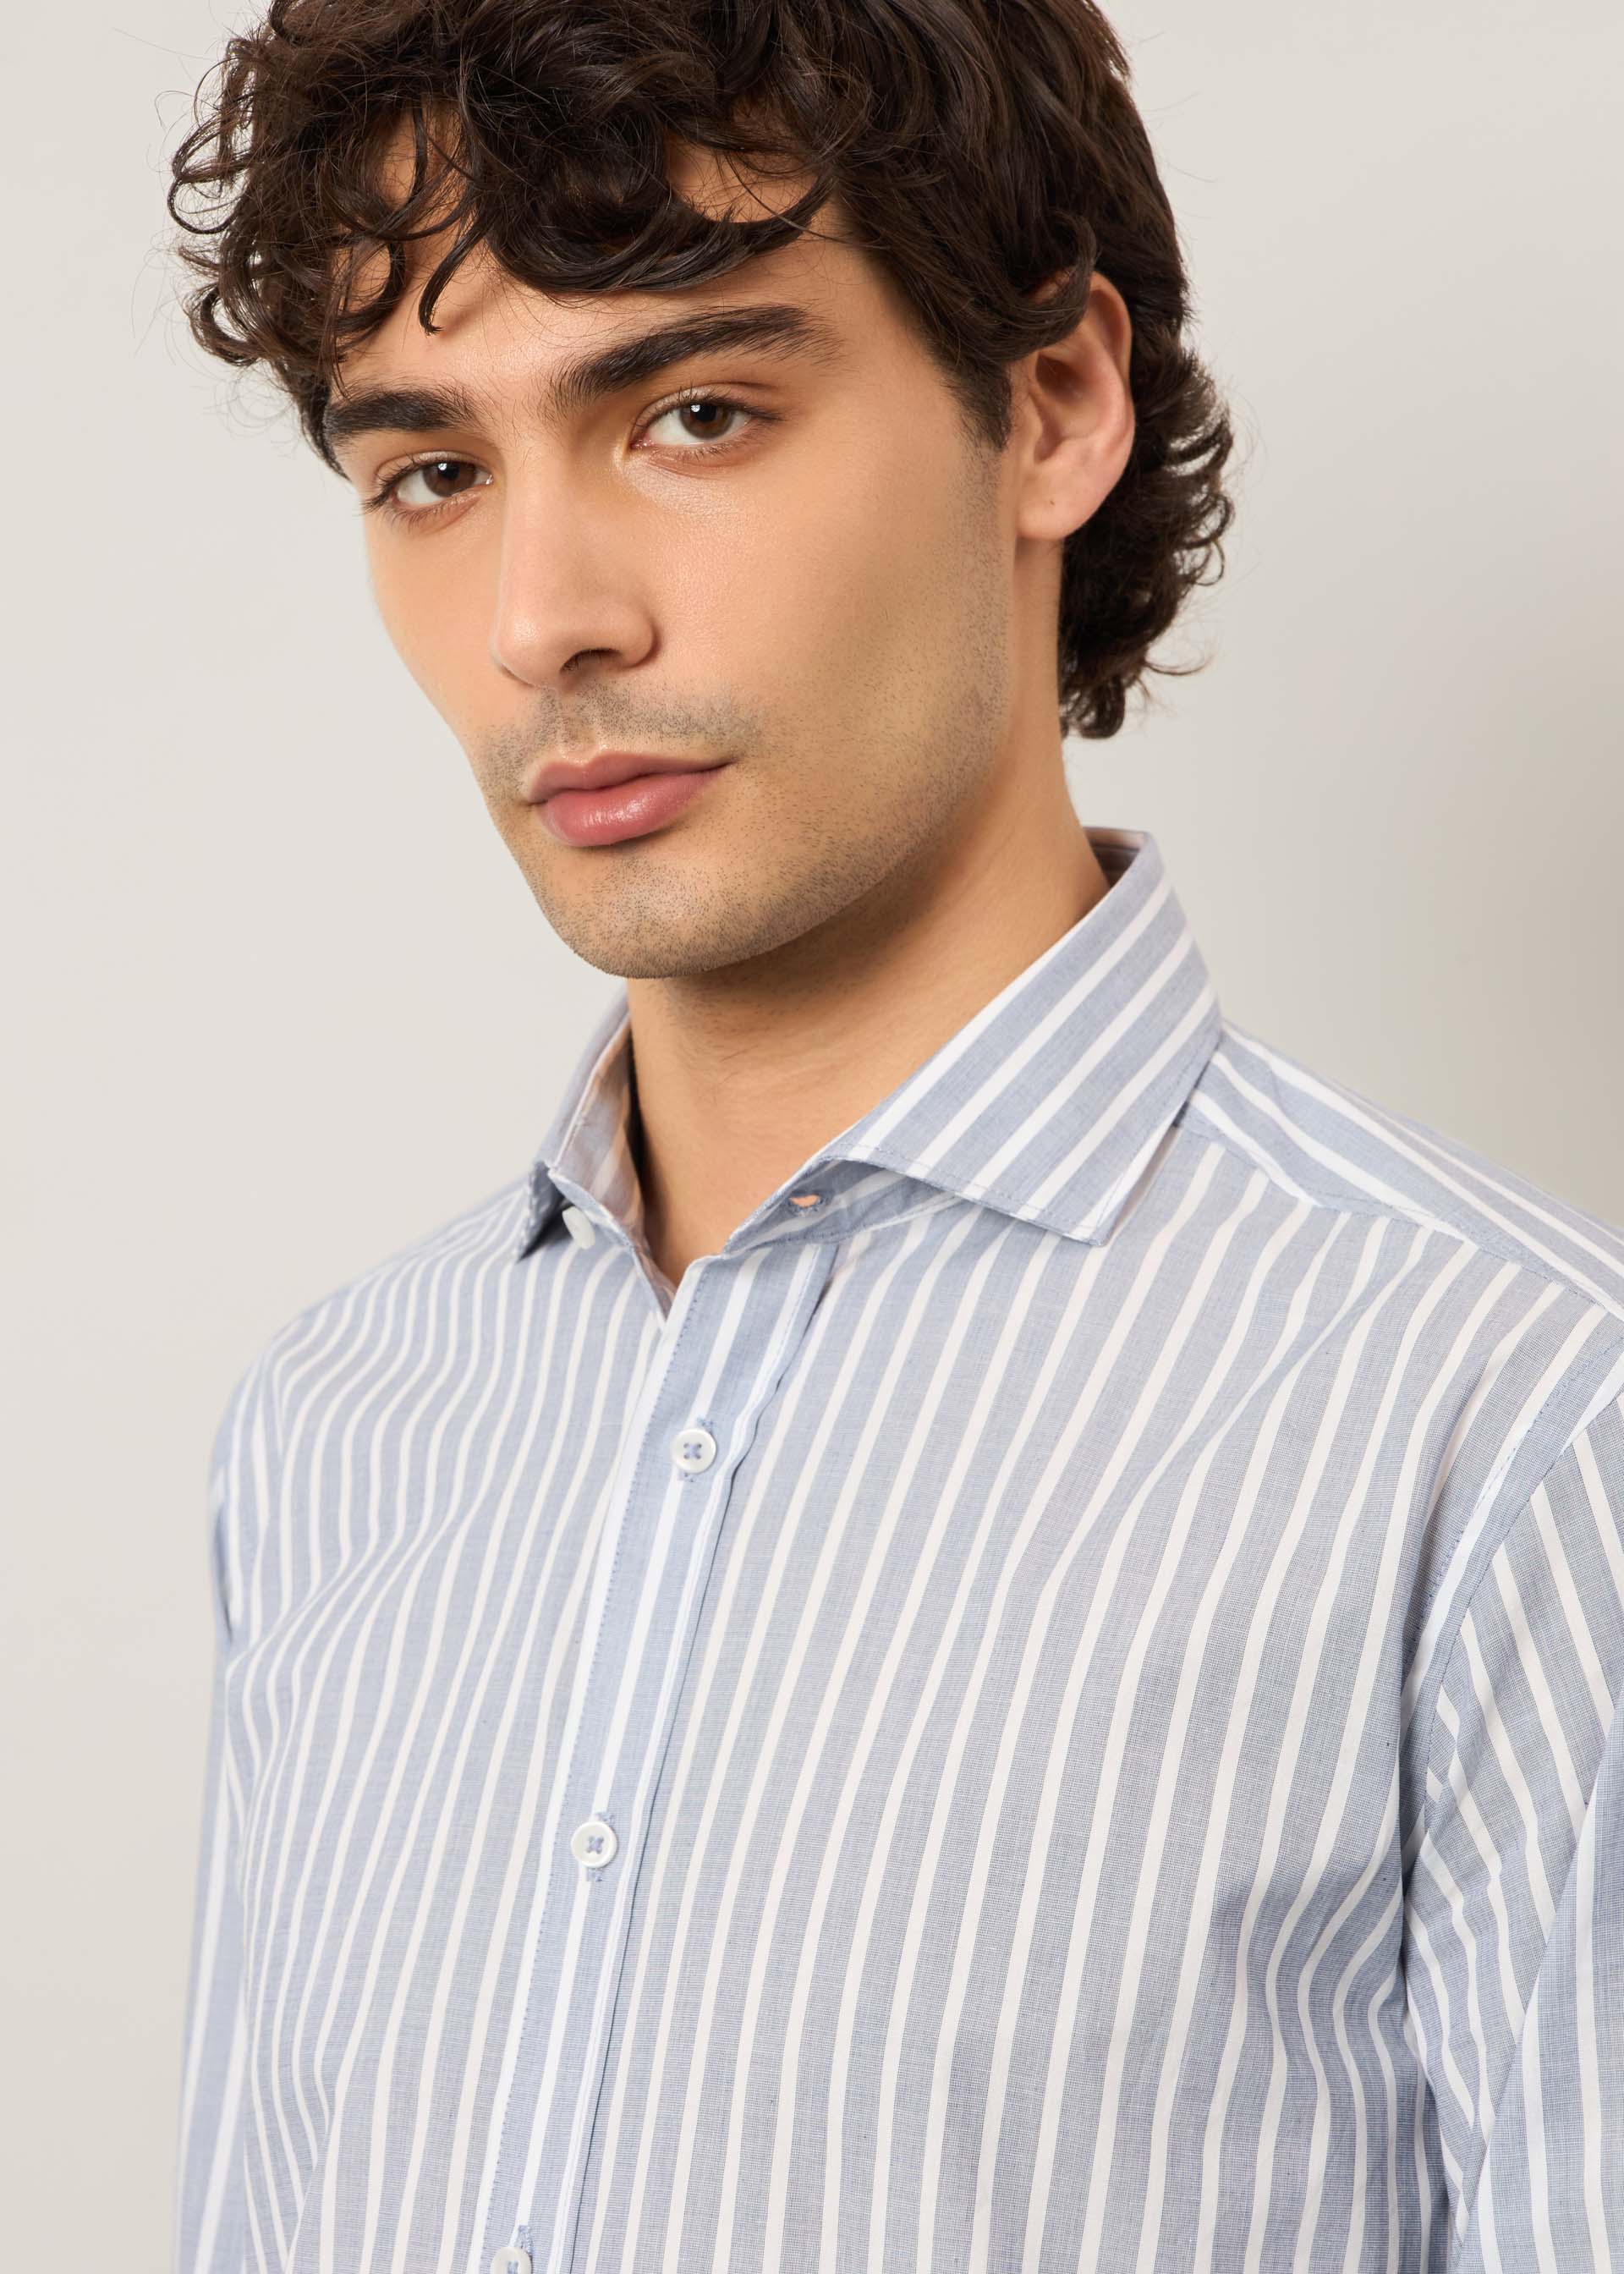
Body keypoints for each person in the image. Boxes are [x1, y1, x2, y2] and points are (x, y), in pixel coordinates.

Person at [165, 3, 1624, 2269]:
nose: (544, 622)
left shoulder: (1514, 1418)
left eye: (697, 413)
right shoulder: (341, 1427)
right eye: (433, 470)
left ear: (1051, 406)